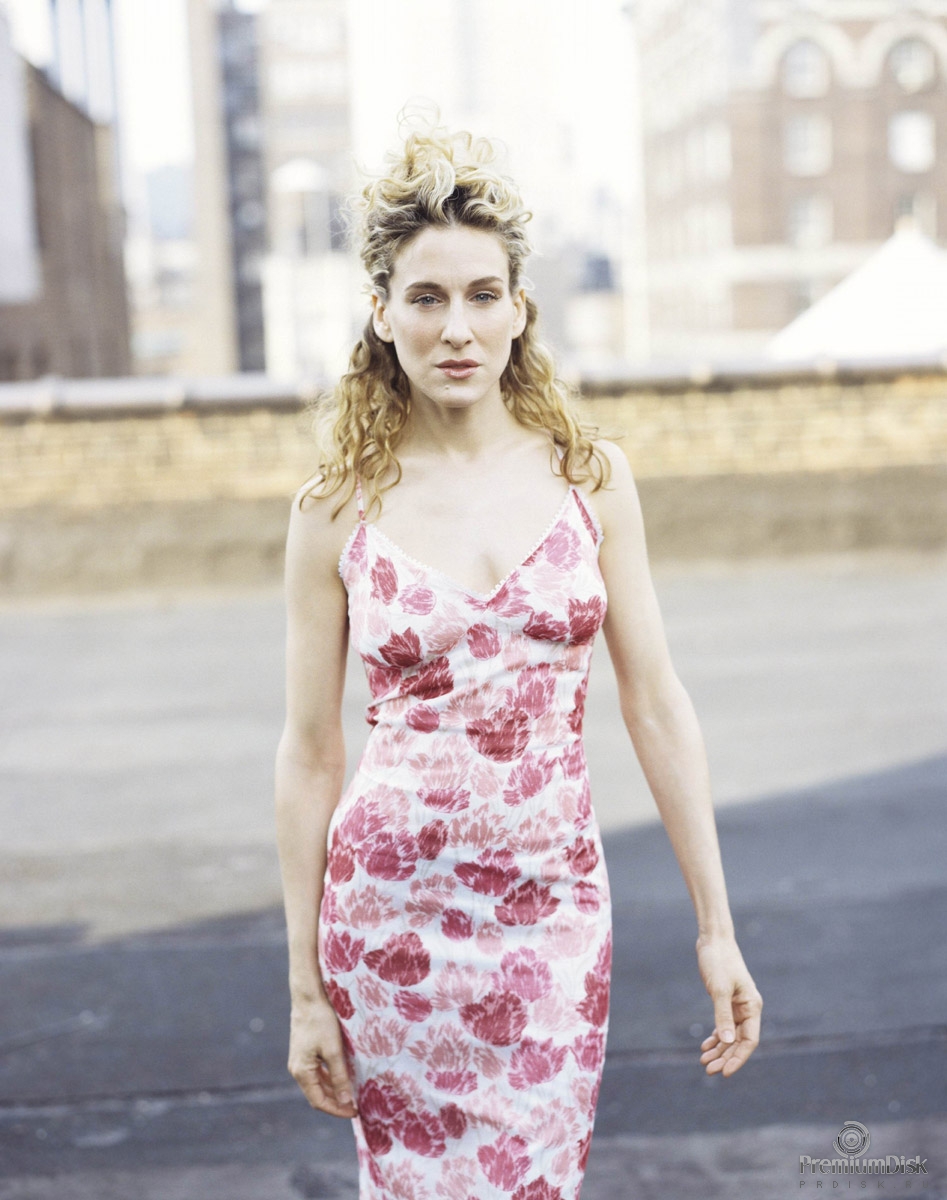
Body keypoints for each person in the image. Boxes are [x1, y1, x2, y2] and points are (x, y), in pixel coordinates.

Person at [274, 125, 762, 1200]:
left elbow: (654, 704)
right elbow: (309, 753)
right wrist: (305, 986)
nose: (456, 328)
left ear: (519, 309)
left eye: (482, 295)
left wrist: (715, 929)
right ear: (380, 312)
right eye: (426, 297)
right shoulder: (333, 509)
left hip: (551, 915)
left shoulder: (592, 479)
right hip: (388, 922)